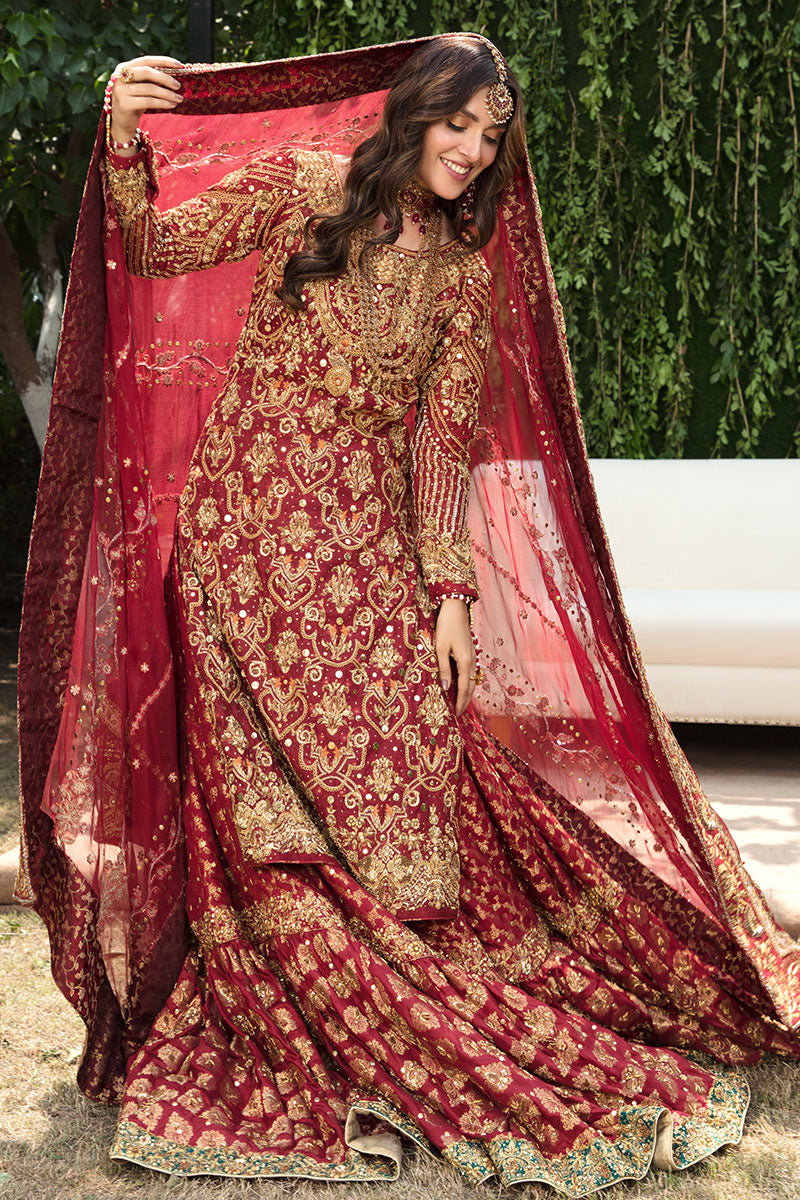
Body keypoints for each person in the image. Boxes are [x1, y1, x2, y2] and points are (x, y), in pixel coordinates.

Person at [16, 33, 799, 1194]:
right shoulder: (301, 191)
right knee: (268, 810)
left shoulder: (461, 273)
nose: (475, 152)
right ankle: (303, 978)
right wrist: (124, 132)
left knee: (408, 776)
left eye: (492, 138)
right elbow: (154, 243)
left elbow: (439, 445)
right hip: (240, 552)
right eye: (460, 124)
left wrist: (445, 591)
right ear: (415, 109)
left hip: (365, 562)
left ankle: (405, 964)